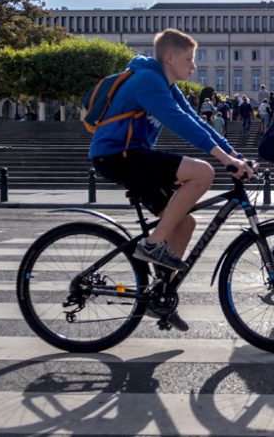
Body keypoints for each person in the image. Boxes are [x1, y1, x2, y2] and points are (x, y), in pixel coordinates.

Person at [89, 28, 253, 330]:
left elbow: (192, 117)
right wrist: (223, 159)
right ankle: (152, 244)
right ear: (170, 57)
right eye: (189, 59)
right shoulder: (147, 80)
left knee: (185, 223)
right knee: (202, 172)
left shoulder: (166, 82)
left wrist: (234, 154)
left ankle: (160, 296)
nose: (194, 66)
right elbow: (177, 122)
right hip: (117, 155)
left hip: (132, 155)